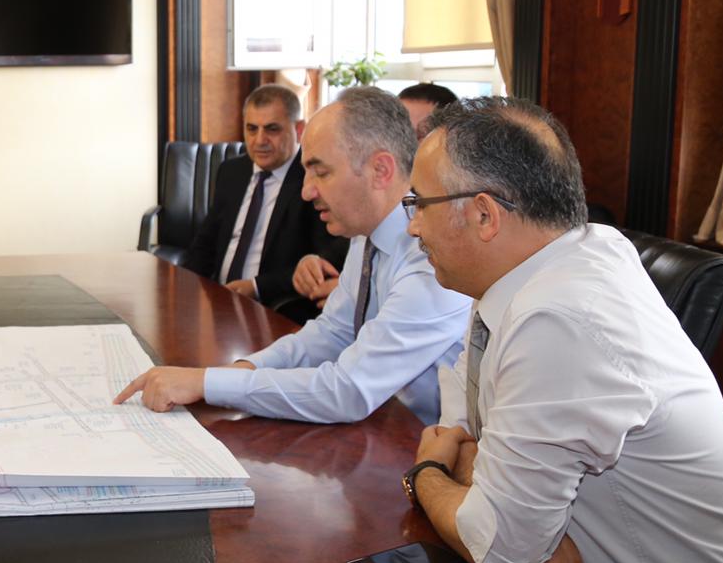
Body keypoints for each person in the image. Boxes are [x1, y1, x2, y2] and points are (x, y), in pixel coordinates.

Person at [401, 96, 723, 563]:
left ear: (483, 215)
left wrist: (428, 474)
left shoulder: (560, 315)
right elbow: (465, 417)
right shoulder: (541, 269)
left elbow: (496, 545)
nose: (411, 227)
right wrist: (513, 514)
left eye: (418, 204)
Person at [115, 86, 470, 425]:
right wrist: (240, 370)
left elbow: (348, 391)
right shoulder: (366, 234)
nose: (306, 191)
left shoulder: (431, 257)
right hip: (382, 424)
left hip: (420, 443)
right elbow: (332, 334)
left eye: (321, 172)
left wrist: (208, 384)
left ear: (380, 170)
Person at [181, 84, 346, 321]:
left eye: (272, 129)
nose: (260, 140)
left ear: (299, 129)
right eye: (251, 129)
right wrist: (186, 290)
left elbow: (325, 259)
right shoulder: (231, 171)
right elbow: (205, 244)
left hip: (277, 310)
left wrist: (257, 287)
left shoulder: (315, 179)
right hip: (219, 304)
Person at [291, 82, 462, 310]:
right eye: (396, 130)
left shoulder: (438, 245)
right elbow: (335, 324)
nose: (404, 144)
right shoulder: (365, 222)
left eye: (418, 135)